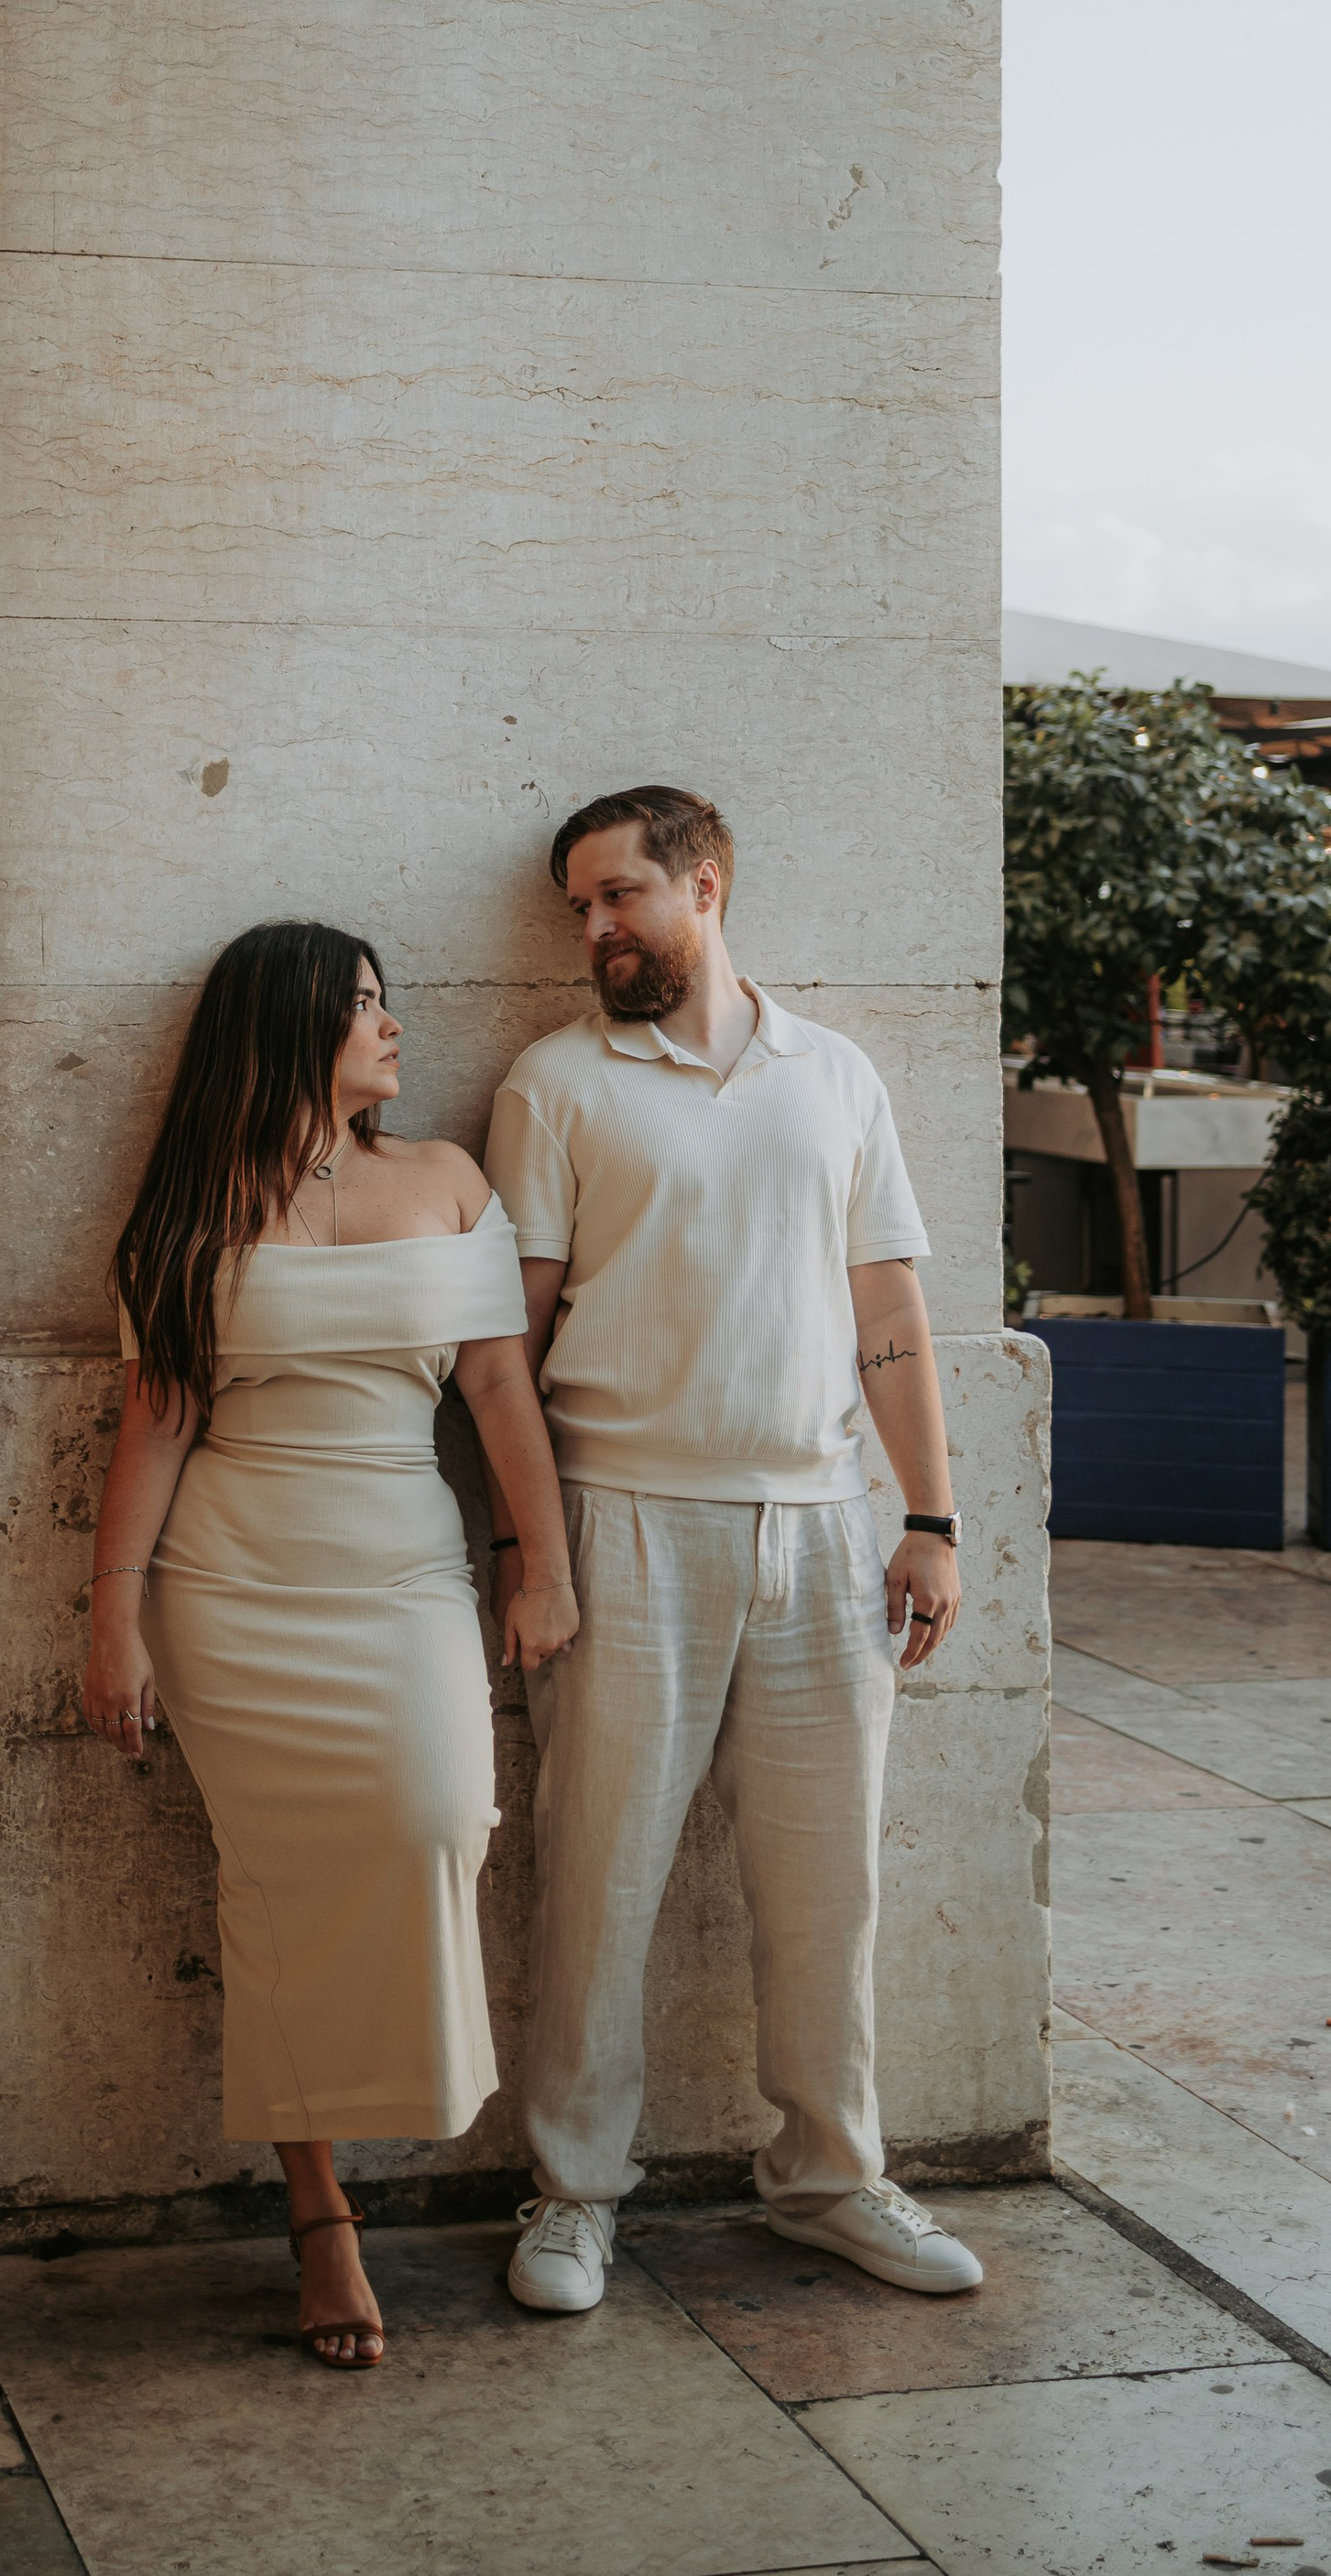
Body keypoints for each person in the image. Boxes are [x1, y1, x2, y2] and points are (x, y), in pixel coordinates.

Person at [481, 788, 986, 2312]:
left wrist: (932, 1517)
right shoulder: (556, 1082)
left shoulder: (833, 1074)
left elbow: (890, 1314)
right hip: (625, 1520)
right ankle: (572, 2193)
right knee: (597, 1878)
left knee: (828, 1884)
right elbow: (509, 1333)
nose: (596, 929)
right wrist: (532, 1546)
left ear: (704, 885)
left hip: (832, 1531)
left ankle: (832, 2177)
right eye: (579, 906)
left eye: (620, 895)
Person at [83, 919, 577, 2371]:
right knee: (275, 1887)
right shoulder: (190, 1205)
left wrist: (539, 1564)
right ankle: (318, 2214)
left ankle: (380, 2132)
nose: (391, 1024)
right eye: (360, 1004)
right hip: (232, 1587)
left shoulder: (444, 1179)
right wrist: (112, 1619)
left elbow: (499, 1388)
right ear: (288, 1027)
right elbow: (155, 1421)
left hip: (406, 1569)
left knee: (440, 1815)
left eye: (386, 999)